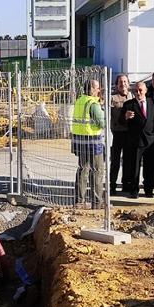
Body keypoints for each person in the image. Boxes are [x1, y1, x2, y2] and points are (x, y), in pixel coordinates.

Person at [71, 78, 106, 209]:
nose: (99, 90)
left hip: (80, 141)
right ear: (91, 89)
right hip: (93, 142)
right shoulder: (93, 104)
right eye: (97, 88)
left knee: (82, 170)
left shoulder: (80, 101)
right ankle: (97, 202)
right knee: (97, 171)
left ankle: (79, 201)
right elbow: (102, 123)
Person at [121, 81, 154, 200]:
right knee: (134, 167)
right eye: (136, 91)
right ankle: (134, 190)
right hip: (136, 140)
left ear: (145, 90)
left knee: (150, 167)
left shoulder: (152, 102)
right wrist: (125, 117)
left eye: (140, 90)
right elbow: (121, 121)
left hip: (150, 140)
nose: (138, 92)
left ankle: (149, 190)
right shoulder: (128, 105)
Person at [108, 74, 132, 196]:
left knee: (128, 161)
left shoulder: (132, 96)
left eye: (124, 82)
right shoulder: (112, 98)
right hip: (117, 133)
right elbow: (110, 116)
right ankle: (112, 185)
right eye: (120, 82)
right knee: (115, 162)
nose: (123, 84)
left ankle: (126, 184)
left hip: (129, 133)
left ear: (128, 83)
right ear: (117, 85)